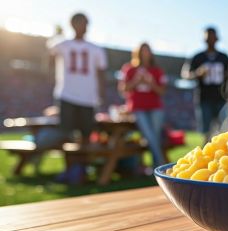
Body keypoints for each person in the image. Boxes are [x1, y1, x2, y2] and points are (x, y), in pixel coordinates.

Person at [46, 13, 107, 147]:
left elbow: (101, 73)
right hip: (67, 95)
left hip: (88, 98)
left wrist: (101, 94)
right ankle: (71, 166)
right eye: (81, 23)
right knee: (66, 134)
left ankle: (82, 166)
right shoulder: (62, 44)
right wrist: (57, 35)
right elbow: (48, 60)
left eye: (85, 23)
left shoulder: (96, 49)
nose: (84, 26)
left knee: (86, 135)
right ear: (73, 24)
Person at [118, 43, 167, 167]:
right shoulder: (129, 68)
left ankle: (155, 165)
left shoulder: (157, 70)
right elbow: (123, 89)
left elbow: (162, 91)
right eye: (142, 51)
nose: (145, 54)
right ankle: (160, 164)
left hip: (155, 107)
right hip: (137, 107)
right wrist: (136, 81)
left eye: (147, 51)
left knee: (154, 135)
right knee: (150, 135)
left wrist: (151, 83)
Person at [182, 27, 228, 143]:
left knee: (225, 132)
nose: (211, 40)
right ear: (204, 39)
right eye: (208, 38)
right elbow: (185, 74)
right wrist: (198, 73)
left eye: (213, 37)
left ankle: (224, 156)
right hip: (204, 99)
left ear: (217, 39)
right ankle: (207, 156)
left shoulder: (224, 57)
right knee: (206, 133)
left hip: (222, 99)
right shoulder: (198, 57)